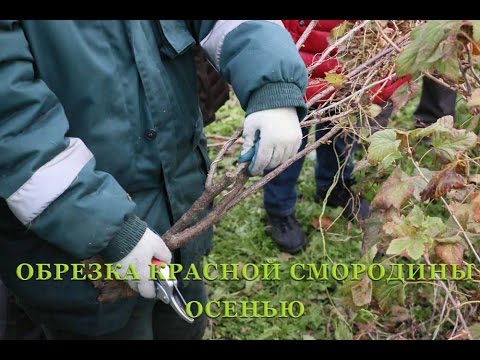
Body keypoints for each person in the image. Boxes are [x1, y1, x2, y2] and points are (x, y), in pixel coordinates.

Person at [0, 20, 307, 340]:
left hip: (177, 216)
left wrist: (273, 83)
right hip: (76, 264)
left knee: (183, 325)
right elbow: (14, 131)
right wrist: (108, 230)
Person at [263, 20, 414, 254]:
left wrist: (387, 83)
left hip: (350, 72)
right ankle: (279, 207)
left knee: (340, 137)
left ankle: (334, 187)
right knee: (286, 143)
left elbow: (403, 32)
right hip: (293, 65)